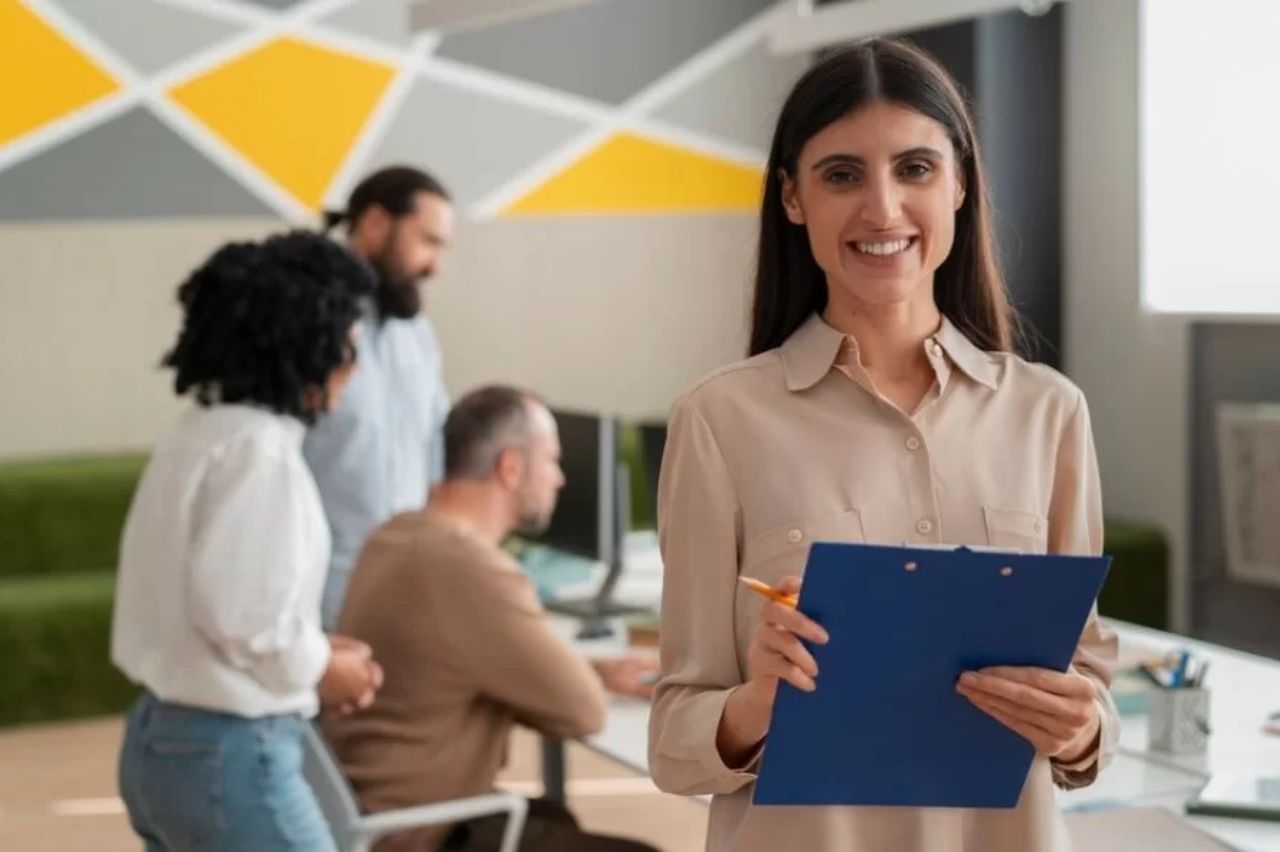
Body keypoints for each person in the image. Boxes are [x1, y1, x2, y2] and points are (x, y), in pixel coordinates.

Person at [647, 39, 1118, 852]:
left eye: (916, 169)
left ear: (961, 185)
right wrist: (761, 698)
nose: (883, 209)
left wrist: (1081, 726)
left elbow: (1089, 692)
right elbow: (673, 741)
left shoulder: (1050, 414)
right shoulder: (720, 421)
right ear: (792, 198)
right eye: (841, 175)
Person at [112, 231, 385, 851]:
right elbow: (244, 619)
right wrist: (322, 667)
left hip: (159, 744)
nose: (354, 366)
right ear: (306, 346)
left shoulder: (199, 435)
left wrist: (311, 645)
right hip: (228, 752)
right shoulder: (262, 455)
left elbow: (218, 604)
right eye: (347, 346)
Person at [324, 385, 660, 852]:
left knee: (553, 815)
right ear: (510, 467)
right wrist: (585, 680)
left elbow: (460, 663)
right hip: (418, 834)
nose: (560, 479)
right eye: (551, 461)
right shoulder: (467, 566)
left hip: (365, 814)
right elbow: (583, 712)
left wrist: (600, 670)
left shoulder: (395, 534)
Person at [307, 165, 457, 628]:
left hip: (404, 597)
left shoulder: (417, 335)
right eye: (427, 241)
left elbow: (437, 457)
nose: (435, 265)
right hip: (318, 603)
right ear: (375, 224)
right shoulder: (306, 325)